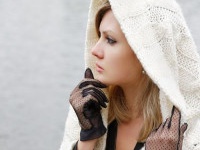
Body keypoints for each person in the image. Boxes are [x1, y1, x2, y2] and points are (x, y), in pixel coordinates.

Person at [60, 0, 200, 149]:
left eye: (110, 40)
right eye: (99, 36)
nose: (95, 50)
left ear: (145, 54)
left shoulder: (189, 129)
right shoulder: (93, 109)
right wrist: (88, 137)